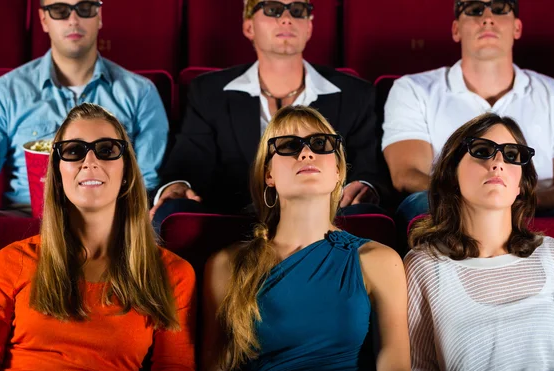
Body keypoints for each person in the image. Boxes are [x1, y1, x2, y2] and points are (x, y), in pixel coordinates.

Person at [199, 106, 411, 371]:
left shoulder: (378, 260)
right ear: (268, 174)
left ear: (338, 171)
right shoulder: (227, 264)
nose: (306, 153)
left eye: (320, 144)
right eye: (288, 146)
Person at [0, 104, 195, 371]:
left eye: (106, 150)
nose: (89, 161)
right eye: (74, 151)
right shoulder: (12, 260)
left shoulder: (172, 273)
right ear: (57, 170)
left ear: (127, 169)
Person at [406, 113, 554, 371]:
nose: (497, 163)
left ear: (522, 183)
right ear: (451, 173)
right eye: (482, 151)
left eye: (512, 155)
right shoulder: (423, 266)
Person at [151, 0, 384, 227]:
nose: (286, 18)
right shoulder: (208, 92)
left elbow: (368, 169)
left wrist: (364, 186)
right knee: (174, 209)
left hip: (325, 221)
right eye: (272, 9)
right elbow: (189, 161)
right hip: (233, 223)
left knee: (365, 211)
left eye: (297, 9)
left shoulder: (356, 94)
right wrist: (177, 186)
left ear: (309, 27)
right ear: (249, 26)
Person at [382, 0, 554, 224]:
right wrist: (478, 198)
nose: (487, 17)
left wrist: (517, 199)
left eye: (500, 8)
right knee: (421, 203)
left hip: (536, 210)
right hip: (451, 210)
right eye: (474, 9)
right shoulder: (413, 89)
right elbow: (407, 174)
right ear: (456, 29)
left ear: (517, 28)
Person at [0, 0, 168, 214]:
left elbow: (145, 181)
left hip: (113, 223)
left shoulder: (141, 92)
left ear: (99, 15)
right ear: (44, 19)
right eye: (60, 10)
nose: (73, 20)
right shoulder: (6, 91)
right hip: (27, 218)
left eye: (85, 8)